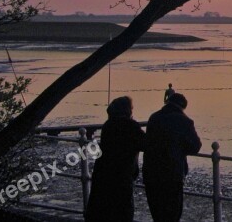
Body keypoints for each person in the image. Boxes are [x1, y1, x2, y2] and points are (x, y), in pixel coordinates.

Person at [85, 96, 146, 222]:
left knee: (103, 210)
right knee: (122, 210)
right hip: (121, 175)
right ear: (127, 110)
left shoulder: (108, 125)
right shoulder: (130, 126)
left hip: (103, 173)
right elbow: (146, 143)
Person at [143, 93, 202, 222]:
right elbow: (196, 146)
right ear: (182, 107)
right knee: (173, 214)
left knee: (157, 214)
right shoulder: (184, 121)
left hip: (151, 174)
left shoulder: (154, 118)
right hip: (172, 175)